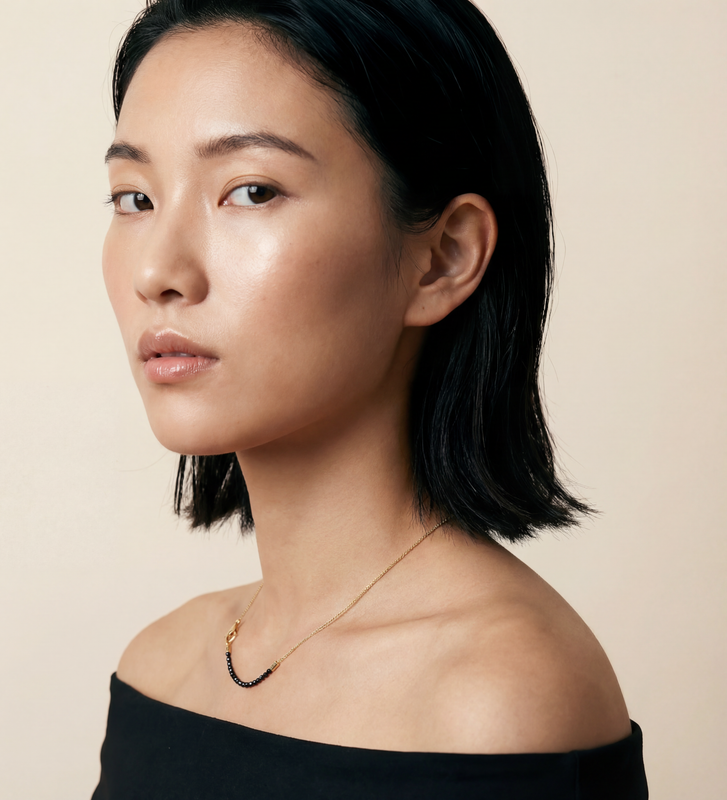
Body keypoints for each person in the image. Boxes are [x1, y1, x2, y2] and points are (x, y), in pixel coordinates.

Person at [92, 0, 648, 796]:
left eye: (250, 191)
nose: (160, 272)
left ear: (443, 259)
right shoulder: (162, 667)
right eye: (134, 198)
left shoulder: (500, 702)